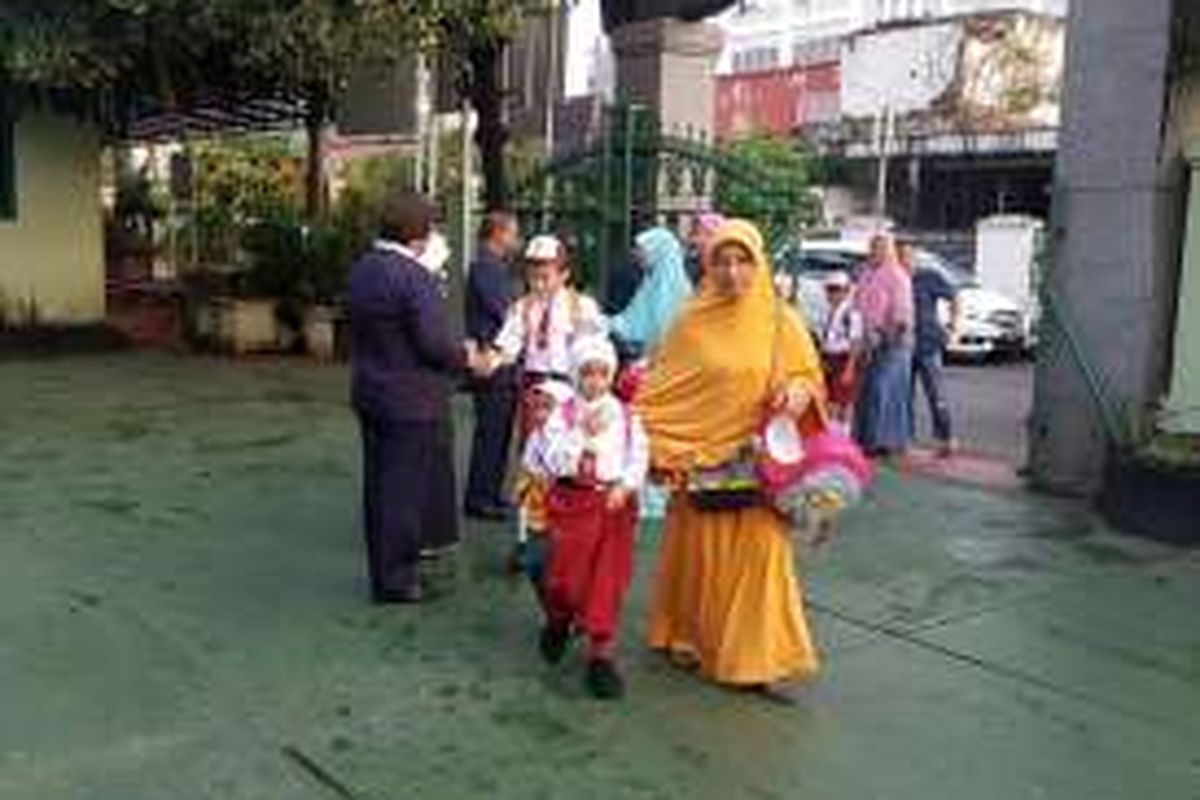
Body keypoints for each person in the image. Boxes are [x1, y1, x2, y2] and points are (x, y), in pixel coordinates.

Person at [636, 219, 826, 694]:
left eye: (743, 260)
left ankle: (752, 661)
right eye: (722, 260)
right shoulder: (690, 320)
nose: (733, 271)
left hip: (760, 467)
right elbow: (663, 389)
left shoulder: (782, 321)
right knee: (700, 560)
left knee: (762, 561)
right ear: (708, 264)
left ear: (759, 263)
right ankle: (690, 638)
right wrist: (644, 443)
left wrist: (800, 392)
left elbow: (808, 375)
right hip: (700, 465)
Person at [348, 191, 476, 604]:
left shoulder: (364, 269)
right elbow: (434, 343)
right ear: (418, 234)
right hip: (412, 399)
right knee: (403, 491)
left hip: (372, 391)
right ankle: (398, 580)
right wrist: (468, 358)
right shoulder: (413, 277)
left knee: (379, 486)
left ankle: (384, 570)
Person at [478, 234, 607, 569]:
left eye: (546, 274)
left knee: (571, 464)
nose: (538, 282)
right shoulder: (521, 309)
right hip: (535, 393)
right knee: (532, 465)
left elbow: (596, 355)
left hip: (571, 392)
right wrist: (487, 362)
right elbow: (507, 347)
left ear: (564, 274)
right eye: (532, 274)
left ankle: (570, 536)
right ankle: (527, 538)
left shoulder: (583, 308)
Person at [536, 336, 649, 700]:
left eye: (602, 374)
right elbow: (551, 459)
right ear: (575, 374)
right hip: (572, 503)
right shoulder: (562, 414)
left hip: (611, 506)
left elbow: (637, 457)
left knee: (606, 583)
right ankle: (559, 619)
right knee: (564, 581)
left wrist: (626, 486)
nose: (595, 381)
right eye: (587, 373)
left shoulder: (626, 415)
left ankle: (601, 655)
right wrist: (582, 434)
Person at [464, 212, 522, 520]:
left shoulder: (493, 266)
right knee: (491, 433)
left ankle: (489, 493)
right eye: (512, 232)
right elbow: (505, 312)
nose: (516, 239)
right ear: (498, 233)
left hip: (500, 362)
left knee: (498, 434)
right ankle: (480, 497)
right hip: (492, 361)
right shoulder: (486, 267)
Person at [853, 233, 915, 459]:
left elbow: (902, 315)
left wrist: (886, 337)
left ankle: (882, 441)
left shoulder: (898, 276)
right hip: (869, 341)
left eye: (880, 247)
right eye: (873, 247)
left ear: (889, 250)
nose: (875, 252)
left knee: (882, 389)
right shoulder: (866, 274)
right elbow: (858, 306)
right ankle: (866, 438)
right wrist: (859, 339)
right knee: (866, 390)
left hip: (893, 343)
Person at [898, 239, 961, 457]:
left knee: (936, 393)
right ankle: (905, 438)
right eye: (899, 257)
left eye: (906, 256)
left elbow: (954, 297)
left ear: (913, 257)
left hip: (928, 344)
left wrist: (953, 325)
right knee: (904, 396)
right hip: (903, 348)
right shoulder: (895, 280)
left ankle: (946, 438)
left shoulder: (927, 276)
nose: (903, 261)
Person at [513, 378, 575, 598]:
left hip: (555, 496)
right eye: (536, 406)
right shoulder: (538, 433)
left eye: (547, 407)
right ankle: (524, 546)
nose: (539, 413)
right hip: (535, 491)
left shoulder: (563, 436)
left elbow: (560, 466)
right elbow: (528, 461)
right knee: (529, 523)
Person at [609, 226, 694, 357]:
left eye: (642, 249)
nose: (637, 254)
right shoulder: (651, 282)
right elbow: (632, 320)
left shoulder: (673, 291)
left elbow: (659, 328)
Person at [819, 271, 865, 425]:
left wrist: (850, 368)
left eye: (836, 289)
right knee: (831, 401)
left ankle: (844, 435)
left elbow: (856, 342)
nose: (832, 294)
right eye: (829, 289)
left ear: (846, 291)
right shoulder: (829, 312)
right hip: (829, 358)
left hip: (843, 359)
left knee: (843, 403)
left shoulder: (851, 313)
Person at [684, 212, 725, 285]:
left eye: (709, 234)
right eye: (696, 233)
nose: (700, 239)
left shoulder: (729, 265)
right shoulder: (688, 262)